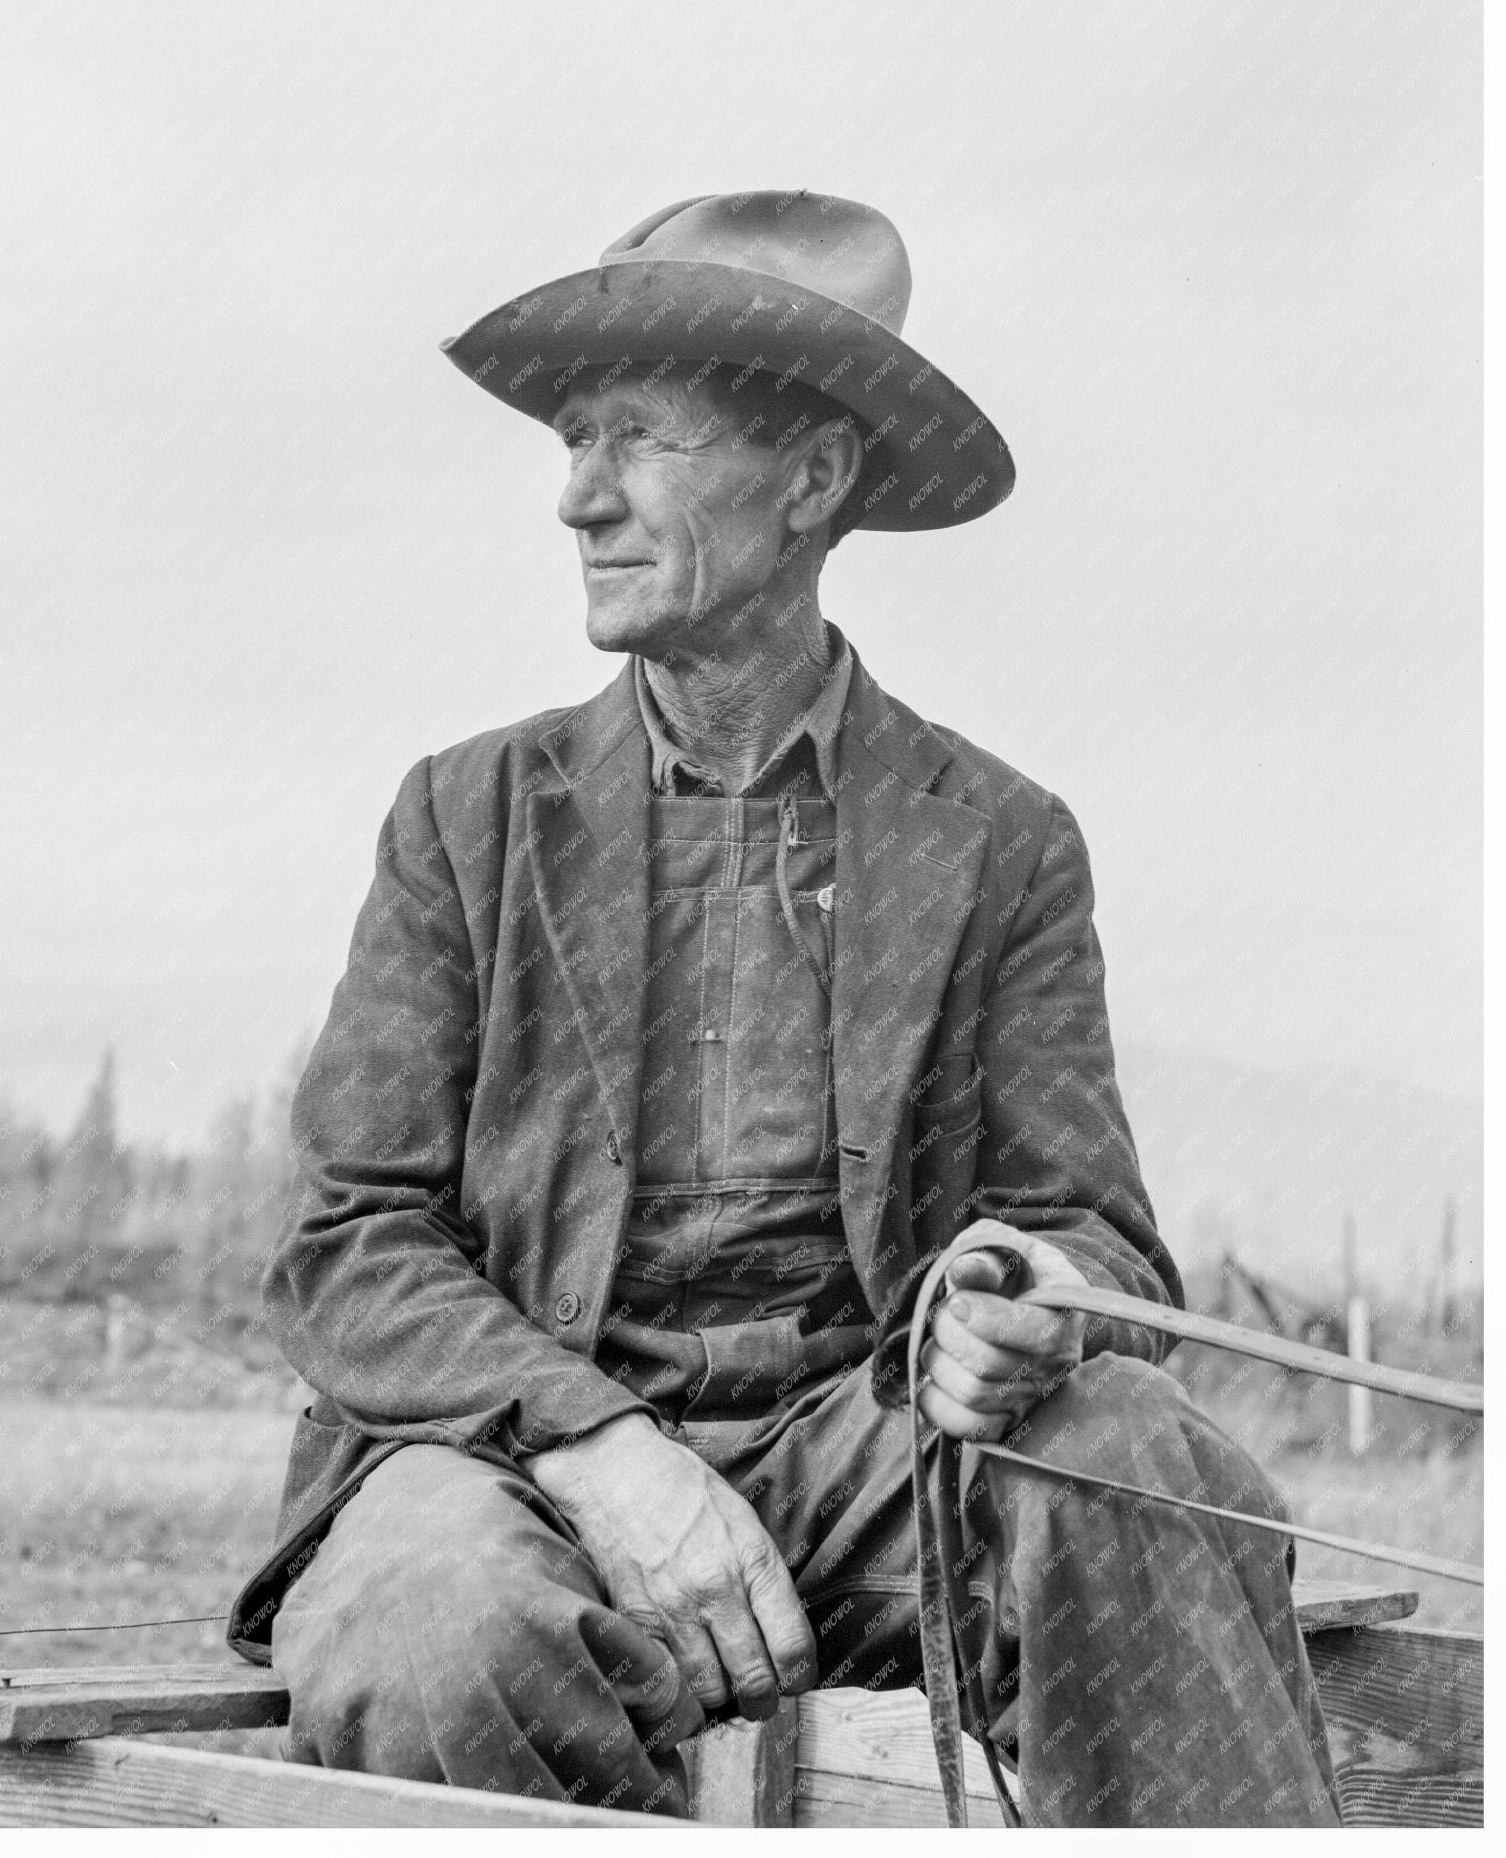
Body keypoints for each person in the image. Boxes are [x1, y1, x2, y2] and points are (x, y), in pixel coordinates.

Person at [228, 192, 1341, 1826]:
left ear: (811, 482)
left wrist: (1032, 1299)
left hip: (870, 1464)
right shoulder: (468, 819)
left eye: (636, 440)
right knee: (434, 1626)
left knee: (1139, 1459)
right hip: (511, 1468)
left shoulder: (998, 841)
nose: (575, 496)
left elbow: (1089, 1235)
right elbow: (349, 1243)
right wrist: (608, 1451)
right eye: (573, 441)